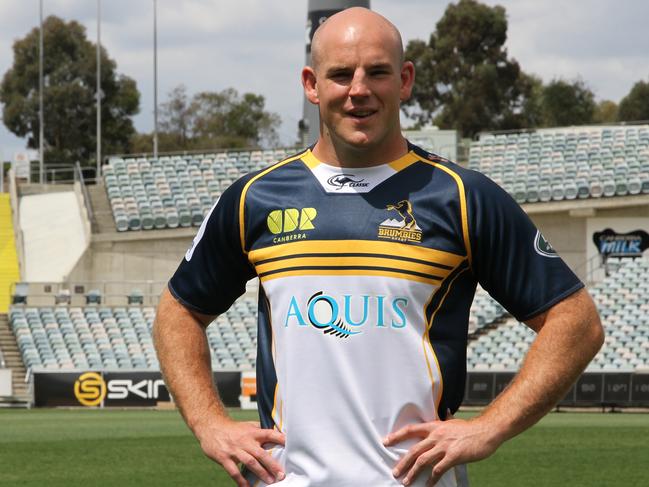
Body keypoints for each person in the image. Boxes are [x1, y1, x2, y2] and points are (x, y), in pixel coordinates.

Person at [153, 7, 604, 487]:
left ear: (405, 80)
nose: (359, 90)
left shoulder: (463, 197)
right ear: (311, 84)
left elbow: (576, 322)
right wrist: (209, 424)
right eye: (341, 74)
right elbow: (177, 313)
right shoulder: (254, 199)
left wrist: (489, 428)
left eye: (378, 72)